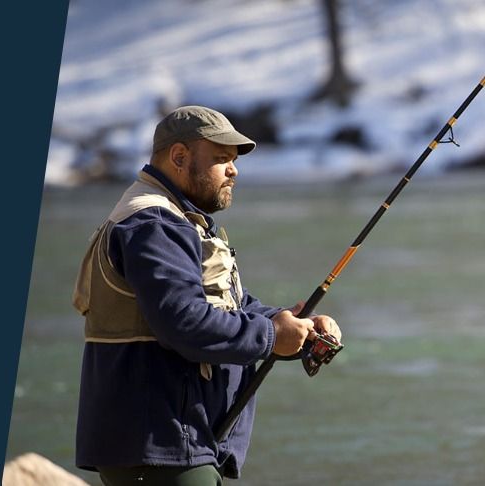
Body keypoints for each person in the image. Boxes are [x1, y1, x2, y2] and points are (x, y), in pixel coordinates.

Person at [72, 105, 342, 485]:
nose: (234, 170)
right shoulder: (153, 224)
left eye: (233, 160)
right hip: (160, 446)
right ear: (179, 157)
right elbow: (185, 323)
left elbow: (231, 307)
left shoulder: (175, 219)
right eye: (221, 159)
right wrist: (270, 337)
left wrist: (295, 327)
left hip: (170, 444)